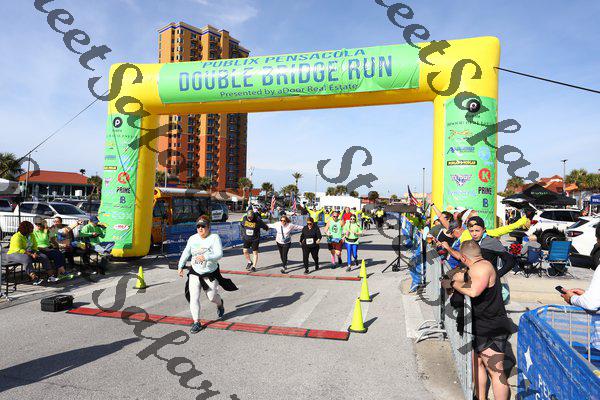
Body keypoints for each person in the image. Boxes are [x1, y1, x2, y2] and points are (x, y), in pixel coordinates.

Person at [446, 240, 512, 400]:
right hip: (479, 324)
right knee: (477, 364)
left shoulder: (482, 267)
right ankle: (480, 397)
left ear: (463, 257)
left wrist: (453, 283)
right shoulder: (477, 266)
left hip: (492, 325)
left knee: (496, 372)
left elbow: (474, 291)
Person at [177, 216, 237, 334]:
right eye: (198, 226)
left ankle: (220, 304)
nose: (200, 228)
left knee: (212, 297)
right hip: (195, 272)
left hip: (210, 273)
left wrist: (206, 257)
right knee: (194, 297)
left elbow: (219, 254)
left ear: (208, 227)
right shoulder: (193, 238)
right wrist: (180, 265)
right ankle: (196, 322)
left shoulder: (214, 237)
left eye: (203, 226)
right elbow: (186, 252)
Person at [5, 221, 52, 285]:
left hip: (29, 252)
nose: (32, 230)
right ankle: (34, 278)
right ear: (25, 229)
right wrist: (31, 254)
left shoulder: (31, 235)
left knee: (43, 256)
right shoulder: (17, 236)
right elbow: (19, 249)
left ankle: (51, 276)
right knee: (26, 258)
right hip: (14, 254)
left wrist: (35, 252)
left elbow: (35, 246)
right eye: (31, 228)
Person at [32, 219, 69, 283]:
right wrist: (44, 248)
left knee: (60, 253)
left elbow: (53, 241)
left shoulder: (47, 231)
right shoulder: (33, 233)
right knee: (56, 254)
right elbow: (33, 245)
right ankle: (62, 272)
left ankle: (60, 273)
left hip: (48, 248)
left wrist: (58, 246)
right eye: (37, 225)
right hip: (38, 249)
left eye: (40, 225)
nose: (38, 226)